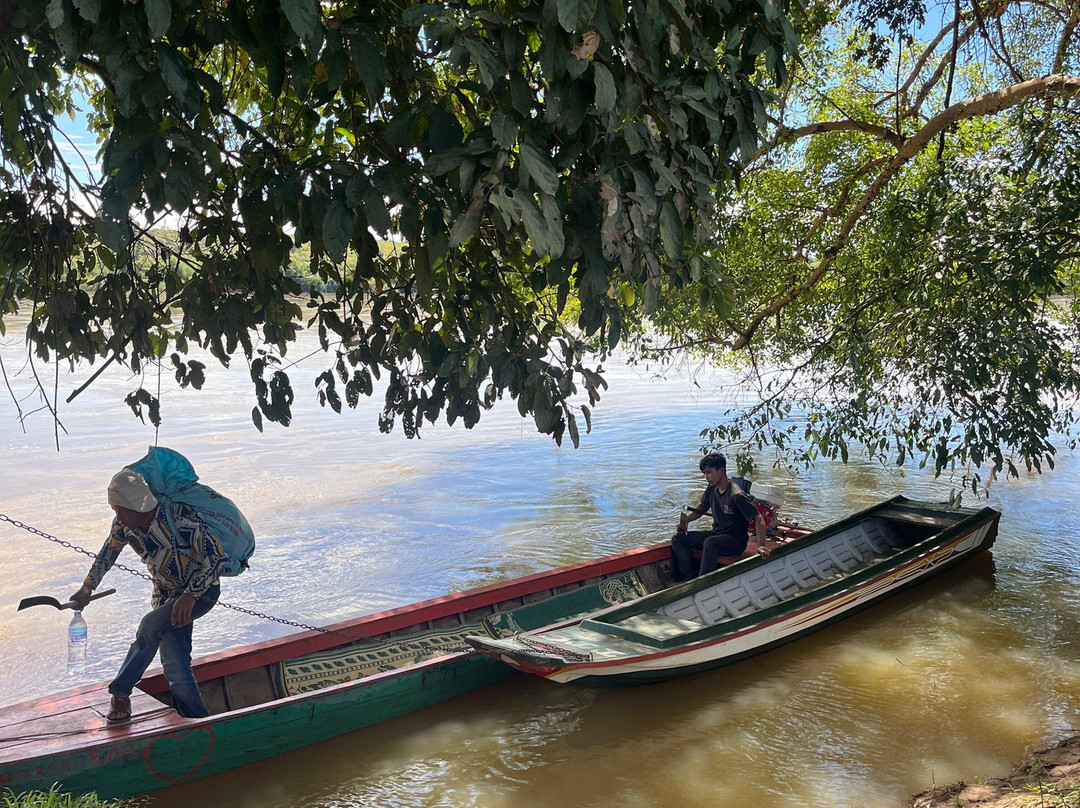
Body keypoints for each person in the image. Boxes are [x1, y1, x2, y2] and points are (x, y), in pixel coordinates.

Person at [70, 468, 226, 724]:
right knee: (175, 665)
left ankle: (120, 692)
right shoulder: (124, 525)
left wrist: (191, 595)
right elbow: (108, 553)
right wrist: (88, 587)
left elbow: (216, 556)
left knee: (150, 625)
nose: (117, 516)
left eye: (120, 509)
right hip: (165, 594)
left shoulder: (179, 517)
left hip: (201, 591)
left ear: (137, 506)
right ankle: (197, 721)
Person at [671, 453, 768, 581]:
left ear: (721, 471)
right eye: (704, 473)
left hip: (736, 541)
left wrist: (761, 546)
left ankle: (703, 581)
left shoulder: (736, 495)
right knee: (679, 539)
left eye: (709, 472)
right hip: (717, 534)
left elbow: (758, 518)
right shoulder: (712, 488)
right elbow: (702, 507)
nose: (706, 477)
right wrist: (687, 520)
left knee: (710, 543)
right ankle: (686, 579)